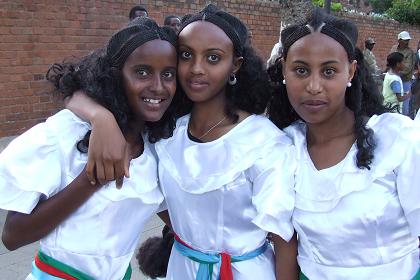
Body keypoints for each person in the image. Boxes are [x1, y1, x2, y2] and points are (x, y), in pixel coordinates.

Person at [64, 4, 299, 280]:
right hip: (182, 268)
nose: (196, 69)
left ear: (235, 64)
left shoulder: (264, 142)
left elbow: (284, 240)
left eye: (213, 58)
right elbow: (74, 91)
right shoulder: (166, 130)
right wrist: (100, 117)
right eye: (186, 55)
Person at [0, 17, 179, 279]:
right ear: (115, 76)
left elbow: (179, 218)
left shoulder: (156, 147)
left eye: (168, 74)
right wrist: (91, 179)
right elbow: (12, 236)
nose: (158, 86)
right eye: (142, 72)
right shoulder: (67, 135)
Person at [268, 8, 420, 280]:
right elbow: (284, 243)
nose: (314, 86)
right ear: (283, 71)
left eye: (329, 71)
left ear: (351, 72)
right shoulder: (283, 147)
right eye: (300, 70)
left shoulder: (397, 140)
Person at [390, 31, 416, 117]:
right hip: (393, 80)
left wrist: (395, 74)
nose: (407, 42)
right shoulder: (394, 48)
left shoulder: (410, 52)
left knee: (404, 107)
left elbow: (408, 68)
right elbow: (389, 61)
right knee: (392, 103)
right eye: (405, 40)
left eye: (408, 40)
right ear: (399, 40)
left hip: (405, 81)